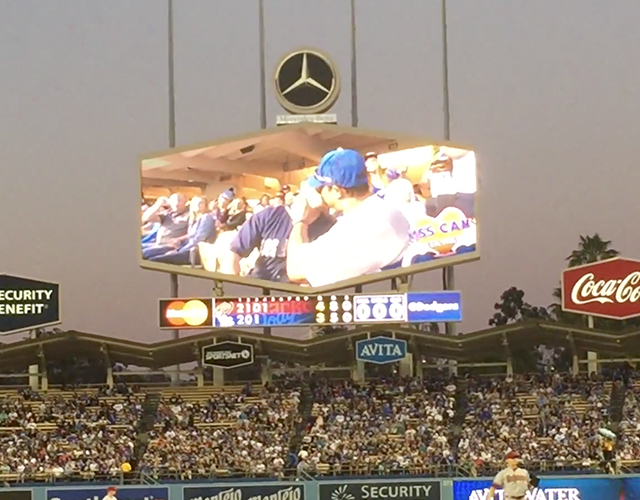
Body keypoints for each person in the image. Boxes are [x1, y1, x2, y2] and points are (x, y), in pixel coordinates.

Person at [286, 148, 410, 287]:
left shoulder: (361, 226)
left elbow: (295, 270)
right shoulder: (380, 209)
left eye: (320, 188)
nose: (318, 192)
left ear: (337, 191)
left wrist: (301, 221)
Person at [221, 189, 335, 282]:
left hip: (299, 295)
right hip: (261, 286)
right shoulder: (269, 215)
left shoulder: (331, 227)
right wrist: (234, 287)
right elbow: (233, 253)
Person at [146, 196, 215, 265]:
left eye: (200, 203)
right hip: (185, 249)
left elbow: (198, 239)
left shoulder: (206, 218)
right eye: (195, 203)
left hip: (195, 253)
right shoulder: (195, 219)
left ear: (205, 205)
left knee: (153, 261)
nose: (197, 205)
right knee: (148, 256)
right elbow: (190, 235)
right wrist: (179, 241)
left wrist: (179, 251)